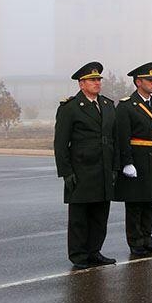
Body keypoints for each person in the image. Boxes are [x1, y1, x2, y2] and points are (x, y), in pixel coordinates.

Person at [55, 62, 117, 269]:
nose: (97, 83)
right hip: (81, 170)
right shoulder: (70, 108)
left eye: (99, 79)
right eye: (92, 80)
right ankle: (79, 255)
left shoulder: (108, 105)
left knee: (100, 214)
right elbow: (61, 143)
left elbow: (113, 138)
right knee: (80, 217)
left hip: (104, 168)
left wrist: (115, 167)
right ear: (81, 84)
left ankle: (94, 251)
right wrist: (66, 172)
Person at [115, 62, 152, 257]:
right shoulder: (126, 106)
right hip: (137, 160)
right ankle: (135, 242)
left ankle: (148, 240)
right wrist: (127, 162)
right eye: (149, 80)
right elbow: (122, 137)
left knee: (149, 203)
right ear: (138, 82)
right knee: (135, 205)